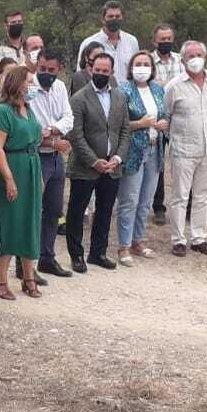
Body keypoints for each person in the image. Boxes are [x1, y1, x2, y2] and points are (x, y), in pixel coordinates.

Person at [66, 52, 131, 272]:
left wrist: (117, 157)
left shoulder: (120, 97)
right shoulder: (79, 98)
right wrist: (94, 161)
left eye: (106, 71)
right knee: (77, 211)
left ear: (112, 72)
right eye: (98, 70)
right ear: (91, 70)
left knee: (105, 210)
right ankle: (76, 255)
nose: (101, 74)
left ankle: (98, 253)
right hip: (85, 167)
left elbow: (124, 130)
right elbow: (76, 135)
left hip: (112, 167)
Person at [0, 65, 45, 299]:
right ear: (17, 83)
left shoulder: (28, 108)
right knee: (10, 223)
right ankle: (1, 281)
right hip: (12, 167)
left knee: (30, 222)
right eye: (29, 82)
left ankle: (28, 276)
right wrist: (9, 178)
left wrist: (39, 176)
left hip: (31, 166)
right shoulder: (3, 111)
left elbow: (35, 142)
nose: (32, 86)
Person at [165, 40, 207, 256]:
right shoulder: (174, 86)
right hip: (183, 150)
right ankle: (178, 240)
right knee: (180, 196)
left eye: (199, 54)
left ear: (206, 57)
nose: (195, 59)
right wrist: (174, 140)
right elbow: (167, 116)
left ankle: (199, 238)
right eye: (190, 56)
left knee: (203, 195)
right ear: (183, 60)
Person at [116, 51, 169, 265]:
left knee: (146, 201)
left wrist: (163, 123)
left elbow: (162, 114)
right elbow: (118, 123)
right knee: (129, 199)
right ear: (131, 68)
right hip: (133, 151)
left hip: (155, 150)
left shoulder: (157, 89)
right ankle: (124, 245)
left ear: (152, 68)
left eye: (146, 64)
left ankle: (139, 240)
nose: (142, 67)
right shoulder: (123, 90)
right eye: (138, 63)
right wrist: (141, 124)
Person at [29, 50, 75, 279]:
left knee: (54, 209)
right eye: (43, 69)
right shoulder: (28, 89)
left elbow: (69, 118)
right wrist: (53, 138)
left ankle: (47, 258)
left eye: (51, 70)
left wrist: (52, 131)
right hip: (36, 156)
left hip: (56, 158)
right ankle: (25, 263)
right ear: (36, 66)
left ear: (59, 70)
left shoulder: (60, 88)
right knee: (34, 209)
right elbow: (32, 127)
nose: (46, 74)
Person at [149, 24, 183, 226]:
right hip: (158, 119)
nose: (166, 42)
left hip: (180, 119)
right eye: (162, 39)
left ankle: (187, 207)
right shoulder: (147, 62)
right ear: (154, 41)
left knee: (183, 164)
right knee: (158, 165)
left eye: (169, 38)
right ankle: (158, 207)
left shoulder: (181, 60)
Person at [79, 1, 141, 86]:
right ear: (103, 19)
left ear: (122, 18)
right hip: (100, 95)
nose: (114, 19)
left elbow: (136, 71)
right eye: (110, 16)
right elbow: (81, 76)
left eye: (117, 16)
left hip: (128, 96)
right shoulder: (88, 43)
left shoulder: (132, 41)